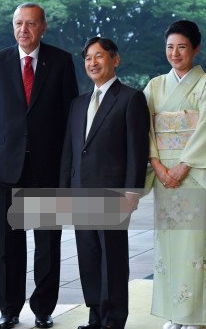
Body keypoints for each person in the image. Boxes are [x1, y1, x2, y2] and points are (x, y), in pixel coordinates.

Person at [0, 3, 78, 329]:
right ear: (13, 27)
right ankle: (9, 309)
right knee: (9, 244)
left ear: (43, 27)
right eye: (19, 23)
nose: (24, 29)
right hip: (7, 167)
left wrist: (69, 166)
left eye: (31, 24)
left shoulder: (61, 62)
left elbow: (71, 118)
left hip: (48, 169)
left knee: (47, 244)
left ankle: (44, 309)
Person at [59, 37, 150, 329]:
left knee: (112, 259)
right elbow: (69, 152)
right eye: (88, 58)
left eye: (99, 56)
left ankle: (114, 320)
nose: (93, 63)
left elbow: (138, 149)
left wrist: (132, 191)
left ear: (115, 60)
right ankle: (95, 317)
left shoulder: (130, 98)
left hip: (113, 193)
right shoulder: (78, 103)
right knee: (88, 258)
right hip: (79, 192)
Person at [144, 20, 206, 329]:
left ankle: (194, 317)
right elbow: (146, 128)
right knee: (168, 245)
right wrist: (158, 165)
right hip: (164, 175)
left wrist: (183, 165)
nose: (175, 53)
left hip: (194, 174)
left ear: (195, 48)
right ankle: (173, 314)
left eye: (181, 47)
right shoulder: (154, 86)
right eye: (170, 47)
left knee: (194, 245)